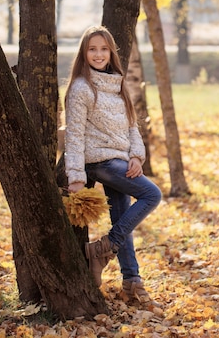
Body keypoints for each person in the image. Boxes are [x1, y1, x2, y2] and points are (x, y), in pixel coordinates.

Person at [64, 25, 161, 303]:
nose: (98, 54)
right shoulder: (81, 88)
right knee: (152, 194)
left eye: (103, 49)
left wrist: (136, 156)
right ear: (84, 53)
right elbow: (74, 135)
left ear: (111, 52)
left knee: (123, 218)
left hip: (122, 161)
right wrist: (76, 177)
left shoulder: (118, 85)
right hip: (100, 162)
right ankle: (105, 247)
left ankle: (132, 283)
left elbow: (132, 127)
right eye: (92, 49)